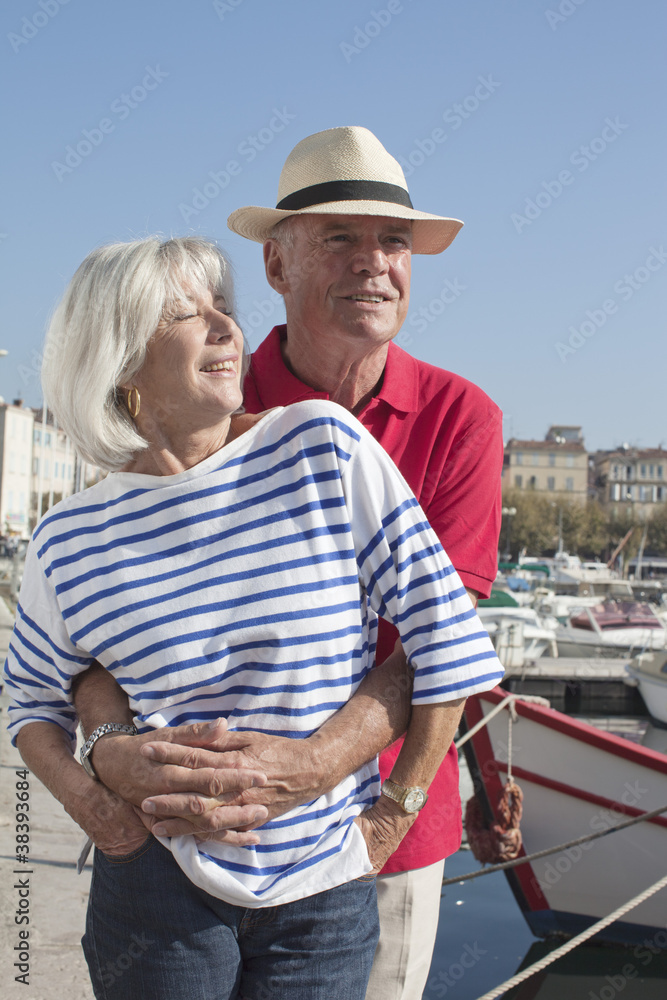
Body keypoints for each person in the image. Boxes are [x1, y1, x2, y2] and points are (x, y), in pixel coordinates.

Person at [4, 235, 504, 1000]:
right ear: (120, 357)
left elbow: (447, 640)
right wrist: (99, 807)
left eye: (224, 310)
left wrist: (391, 817)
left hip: (324, 889)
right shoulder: (69, 539)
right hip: (155, 885)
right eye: (187, 314)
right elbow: (30, 703)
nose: (227, 328)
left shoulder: (321, 446)